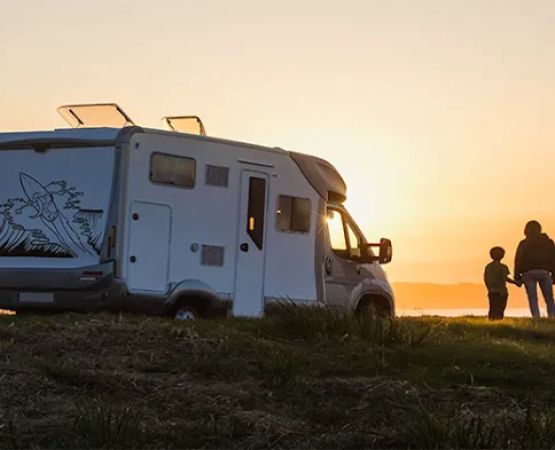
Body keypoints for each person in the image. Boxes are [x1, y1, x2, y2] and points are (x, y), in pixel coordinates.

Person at [514, 220, 555, 319]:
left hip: (528, 272)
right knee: (549, 298)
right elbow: (553, 258)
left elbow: (518, 259)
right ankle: (552, 317)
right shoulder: (548, 242)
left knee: (532, 297)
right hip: (544, 271)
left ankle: (536, 317)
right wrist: (554, 274)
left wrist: (517, 275)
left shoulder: (524, 243)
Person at [484, 246, 519, 320]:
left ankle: (491, 320)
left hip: (492, 291)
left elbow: (485, 279)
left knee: (493, 308)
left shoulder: (488, 267)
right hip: (502, 291)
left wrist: (489, 287)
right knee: (501, 308)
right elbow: (505, 278)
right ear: (502, 256)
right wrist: (515, 283)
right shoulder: (503, 267)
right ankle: (499, 320)